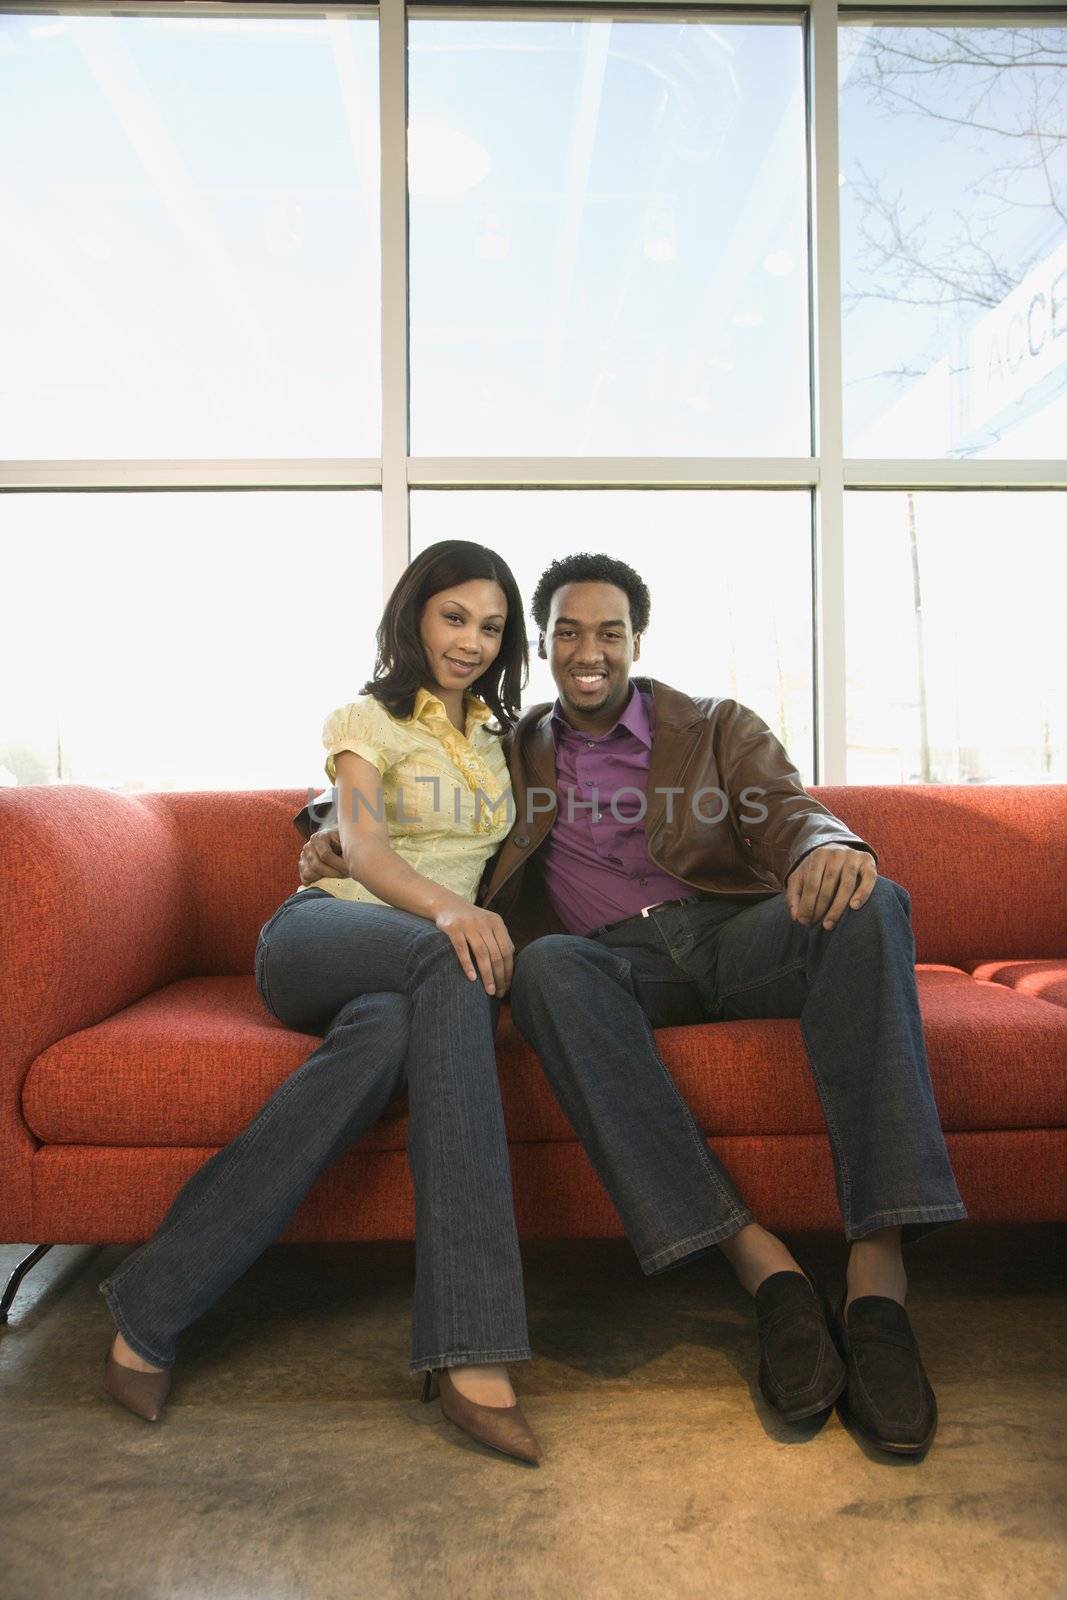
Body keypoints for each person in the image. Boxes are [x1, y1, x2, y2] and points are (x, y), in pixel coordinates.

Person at [301, 551, 967, 1459]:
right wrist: (327, 829)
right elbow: (411, 778)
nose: (588, 650)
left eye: (607, 632)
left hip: (730, 936)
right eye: (566, 633)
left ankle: (876, 1276)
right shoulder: (513, 739)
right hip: (614, 966)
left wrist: (827, 843)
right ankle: (759, 1265)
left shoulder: (714, 726)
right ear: (540, 648)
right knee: (544, 971)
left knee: (870, 903)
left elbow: (784, 806)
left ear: (634, 642)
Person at [99, 540, 543, 1466]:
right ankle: (473, 1341)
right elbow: (367, 851)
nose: (469, 640)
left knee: (387, 1034)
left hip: (408, 972)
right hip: (318, 938)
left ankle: (155, 1299)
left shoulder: (505, 742)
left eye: (490, 627)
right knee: (453, 965)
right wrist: (449, 910)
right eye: (453, 616)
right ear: (416, 615)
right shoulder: (363, 720)